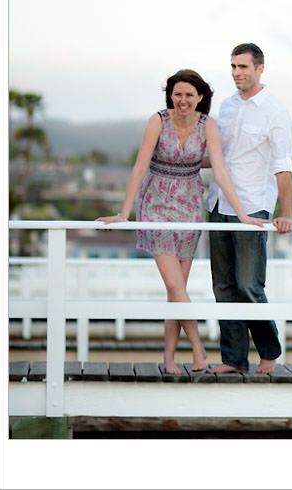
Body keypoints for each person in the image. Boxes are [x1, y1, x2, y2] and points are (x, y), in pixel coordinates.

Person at [97, 69, 267, 375]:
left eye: (189, 95)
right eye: (178, 94)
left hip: (189, 206)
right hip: (157, 204)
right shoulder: (158, 121)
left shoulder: (208, 125)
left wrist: (242, 214)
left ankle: (169, 359)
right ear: (170, 96)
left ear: (200, 97)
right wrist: (124, 213)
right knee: (175, 285)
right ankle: (199, 351)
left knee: (177, 292)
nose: (183, 100)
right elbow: (139, 168)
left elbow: (220, 171)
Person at [205, 42, 292, 375]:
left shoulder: (274, 110)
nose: (237, 73)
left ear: (260, 68)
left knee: (248, 285)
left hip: (253, 208)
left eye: (243, 67)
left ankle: (269, 352)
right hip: (218, 203)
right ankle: (233, 360)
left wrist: (285, 212)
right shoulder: (226, 107)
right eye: (233, 67)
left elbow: (283, 165)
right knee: (223, 286)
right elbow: (217, 156)